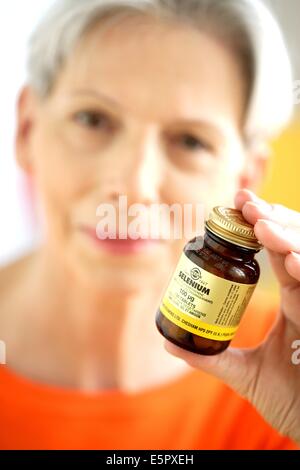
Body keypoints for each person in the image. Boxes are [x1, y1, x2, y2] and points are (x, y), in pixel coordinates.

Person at [0, 0, 299, 450]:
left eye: (190, 141)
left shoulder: (283, 366)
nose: (134, 188)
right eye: (92, 119)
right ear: (26, 129)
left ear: (245, 178)